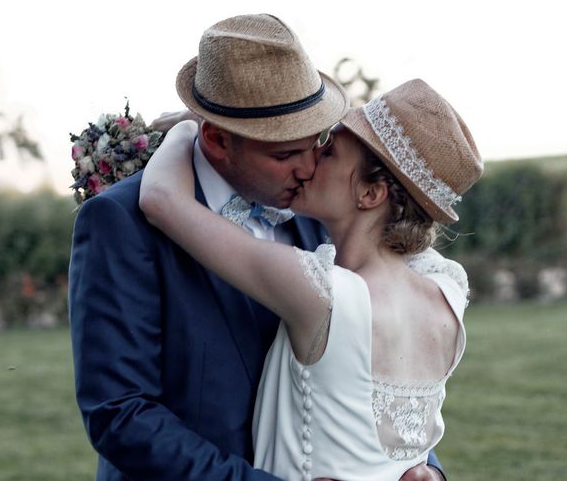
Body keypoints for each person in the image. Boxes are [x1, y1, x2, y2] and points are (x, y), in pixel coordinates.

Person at [68, 14, 447, 480]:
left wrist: (422, 469)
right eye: (286, 154)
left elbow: (380, 373)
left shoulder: (324, 213)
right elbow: (121, 415)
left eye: (319, 144)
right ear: (217, 138)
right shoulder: (121, 222)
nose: (310, 168)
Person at [139, 78, 483, 481]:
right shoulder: (448, 289)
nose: (311, 157)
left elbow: (161, 199)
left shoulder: (320, 294)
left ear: (371, 194)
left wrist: (193, 124)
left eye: (331, 150)